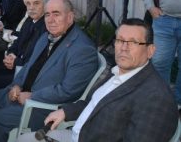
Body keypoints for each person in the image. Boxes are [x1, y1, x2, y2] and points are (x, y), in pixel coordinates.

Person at [19, 18, 178, 142]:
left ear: (150, 51)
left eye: (134, 42)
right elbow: (94, 103)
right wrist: (66, 111)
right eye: (120, 40)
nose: (124, 47)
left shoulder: (157, 98)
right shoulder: (119, 72)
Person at [0, 0, 98, 142]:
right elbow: (28, 66)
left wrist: (32, 96)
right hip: (23, 94)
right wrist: (17, 85)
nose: (50, 20)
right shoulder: (46, 37)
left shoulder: (83, 49)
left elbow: (68, 90)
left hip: (44, 107)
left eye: (56, 14)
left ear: (70, 17)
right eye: (47, 14)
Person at [0, 0, 49, 91]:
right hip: (16, 63)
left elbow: (35, 61)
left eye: (36, 3)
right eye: (28, 4)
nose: (31, 7)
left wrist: (15, 61)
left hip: (24, 75)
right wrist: (11, 53)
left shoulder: (46, 28)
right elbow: (18, 40)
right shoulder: (30, 20)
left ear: (46, 5)